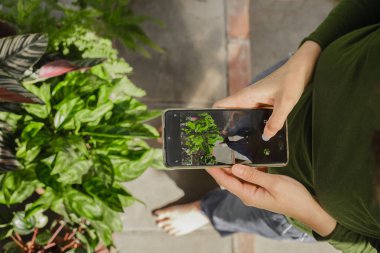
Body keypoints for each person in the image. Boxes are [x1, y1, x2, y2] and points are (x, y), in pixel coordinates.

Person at [153, 0, 380, 252]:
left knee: (244, 210)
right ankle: (194, 141)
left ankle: (208, 210)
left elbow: (366, 247)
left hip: (295, 203)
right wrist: (306, 57)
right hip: (297, 81)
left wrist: (313, 217)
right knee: (224, 128)